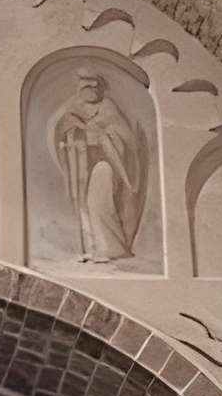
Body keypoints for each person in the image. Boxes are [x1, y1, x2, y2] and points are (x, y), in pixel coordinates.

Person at [49, 71, 148, 263]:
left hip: (106, 163)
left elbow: (124, 136)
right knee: (84, 204)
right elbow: (62, 131)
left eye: (95, 87)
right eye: (87, 88)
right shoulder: (74, 109)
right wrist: (74, 133)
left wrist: (104, 134)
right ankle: (91, 248)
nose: (91, 92)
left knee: (99, 201)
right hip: (82, 162)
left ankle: (110, 248)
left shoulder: (108, 107)